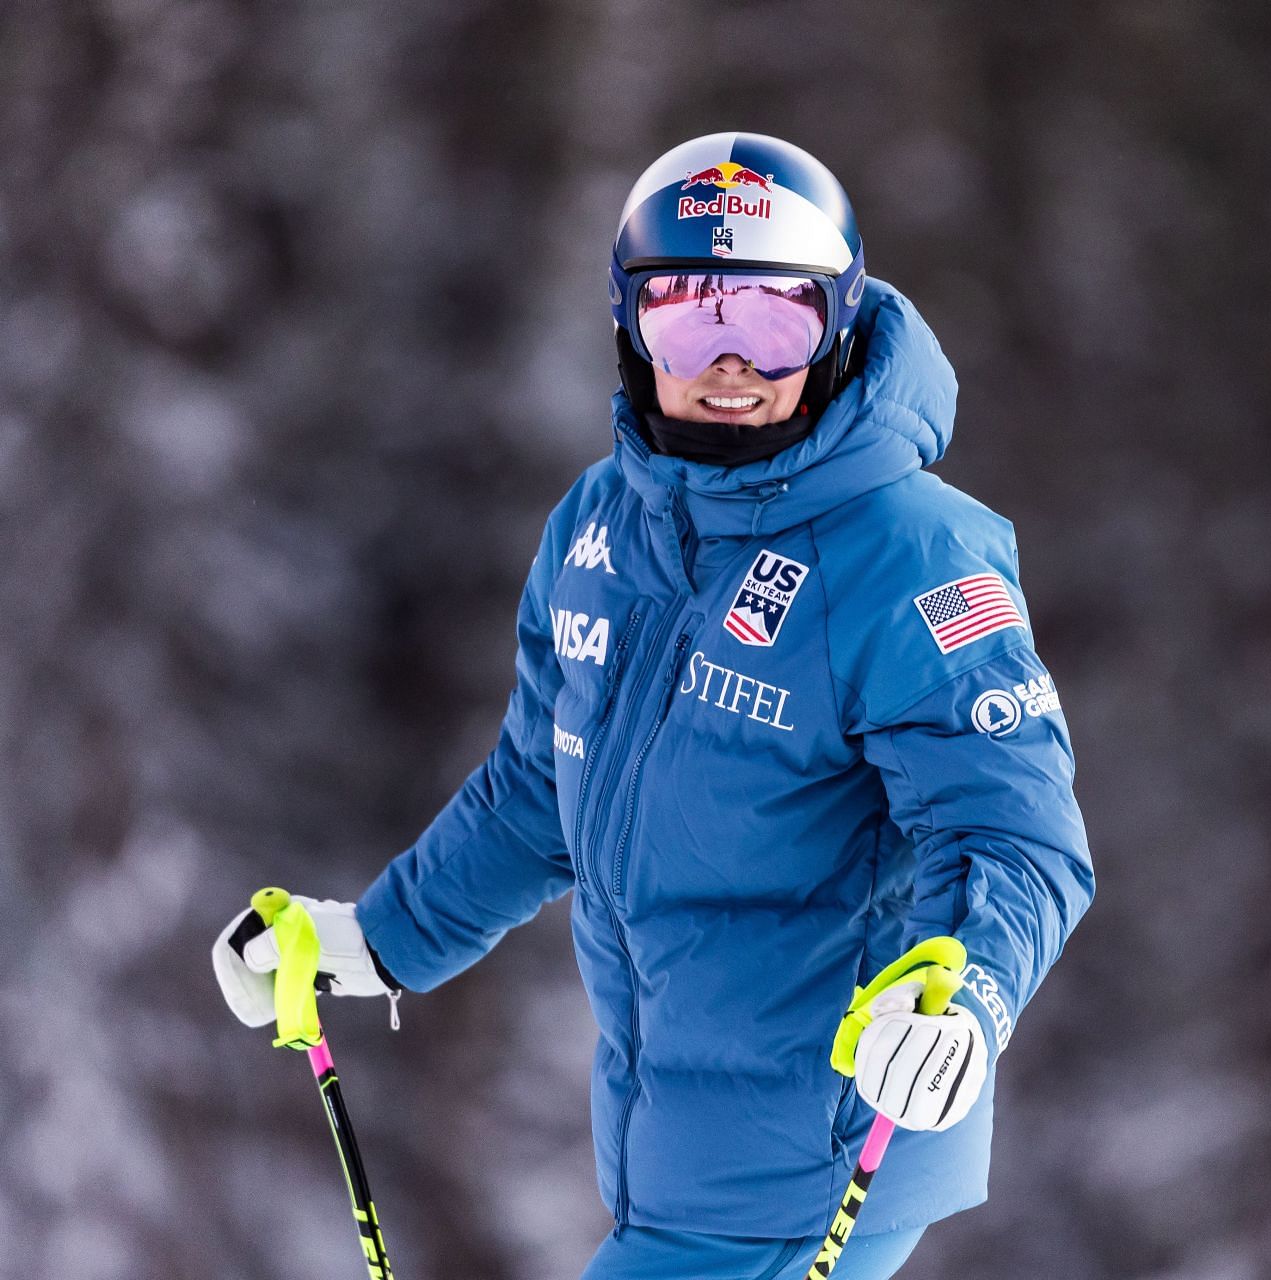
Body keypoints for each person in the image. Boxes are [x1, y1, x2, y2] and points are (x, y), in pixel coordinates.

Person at [211, 131, 1094, 1280]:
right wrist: (374, 941)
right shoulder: (600, 525)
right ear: (629, 325)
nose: (731, 362)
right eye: (689, 314)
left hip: (816, 1161)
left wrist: (961, 992)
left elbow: (1016, 834)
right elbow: (538, 788)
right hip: (672, 1155)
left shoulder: (907, 552)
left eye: (774, 319)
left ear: (838, 323)